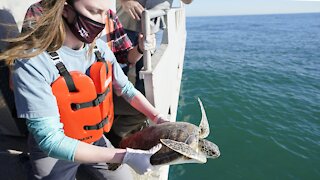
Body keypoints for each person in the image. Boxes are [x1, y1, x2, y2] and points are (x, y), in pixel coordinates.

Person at [0, 0, 169, 179]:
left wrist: (158, 118)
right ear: (66, 9)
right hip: (53, 149)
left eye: (105, 14)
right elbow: (50, 140)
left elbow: (126, 89)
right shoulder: (32, 62)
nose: (102, 22)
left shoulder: (100, 49)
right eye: (94, 11)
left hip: (94, 137)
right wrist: (124, 156)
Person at [108, 0, 193, 147]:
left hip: (149, 29)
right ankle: (114, 126)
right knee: (120, 74)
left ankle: (116, 129)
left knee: (138, 87)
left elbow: (187, 1)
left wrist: (141, 48)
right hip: (123, 22)